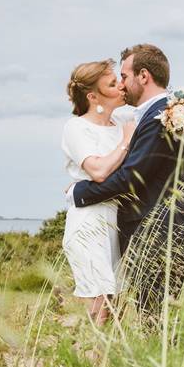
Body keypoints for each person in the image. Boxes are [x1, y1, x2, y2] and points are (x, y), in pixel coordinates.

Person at [67, 44, 184, 320]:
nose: (122, 84)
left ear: (144, 76)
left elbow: (129, 179)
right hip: (162, 232)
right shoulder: (167, 111)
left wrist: (80, 192)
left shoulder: (161, 117)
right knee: (154, 322)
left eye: (124, 76)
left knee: (155, 324)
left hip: (156, 235)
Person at [61, 59, 136, 326]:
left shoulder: (120, 124)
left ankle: (106, 365)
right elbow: (99, 171)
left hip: (116, 223)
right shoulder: (77, 127)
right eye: (113, 84)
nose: (121, 87)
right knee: (100, 307)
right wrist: (127, 142)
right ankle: (90, 363)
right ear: (93, 96)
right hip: (89, 223)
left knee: (117, 308)